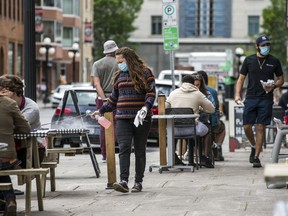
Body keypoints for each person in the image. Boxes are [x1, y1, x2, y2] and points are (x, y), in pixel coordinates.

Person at [91, 47, 156, 193]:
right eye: (118, 61)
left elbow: (151, 92)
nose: (119, 64)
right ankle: (124, 181)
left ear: (130, 59)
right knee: (124, 148)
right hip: (122, 118)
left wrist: (146, 107)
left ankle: (138, 182)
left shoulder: (146, 73)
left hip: (141, 118)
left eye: (121, 61)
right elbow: (113, 99)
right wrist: (100, 110)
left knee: (140, 150)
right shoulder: (119, 76)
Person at [235, 35, 284, 168]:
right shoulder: (249, 60)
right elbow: (240, 79)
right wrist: (237, 95)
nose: (266, 47)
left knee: (261, 127)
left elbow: (281, 79)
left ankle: (256, 156)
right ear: (257, 46)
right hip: (251, 97)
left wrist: (274, 85)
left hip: (266, 98)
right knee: (246, 126)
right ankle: (253, 145)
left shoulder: (274, 60)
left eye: (268, 45)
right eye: (263, 45)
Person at [0, 75, 46, 195]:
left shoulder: (31, 108)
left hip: (30, 152)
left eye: (3, 92)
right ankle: (6, 193)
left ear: (13, 92)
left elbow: (15, 128)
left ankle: (6, 195)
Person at [165, 74, 215, 168]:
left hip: (175, 130)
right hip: (192, 129)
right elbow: (211, 109)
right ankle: (203, 156)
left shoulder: (173, 93)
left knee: (172, 129)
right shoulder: (198, 94)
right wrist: (201, 108)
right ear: (193, 83)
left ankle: (174, 157)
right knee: (207, 129)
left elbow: (165, 107)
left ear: (182, 83)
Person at [0, 88, 31, 215]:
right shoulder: (9, 103)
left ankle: (8, 200)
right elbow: (25, 128)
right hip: (6, 155)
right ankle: (10, 200)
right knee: (2, 168)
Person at [90, 40, 119, 162]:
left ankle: (105, 153)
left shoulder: (97, 64)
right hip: (117, 98)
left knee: (104, 126)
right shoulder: (119, 63)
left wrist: (104, 99)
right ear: (115, 50)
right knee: (117, 124)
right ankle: (115, 150)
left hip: (102, 98)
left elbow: (96, 84)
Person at [197, 70, 226, 161]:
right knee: (222, 127)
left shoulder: (189, 91)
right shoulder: (212, 91)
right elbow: (215, 107)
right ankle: (218, 146)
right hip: (210, 122)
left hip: (192, 122)